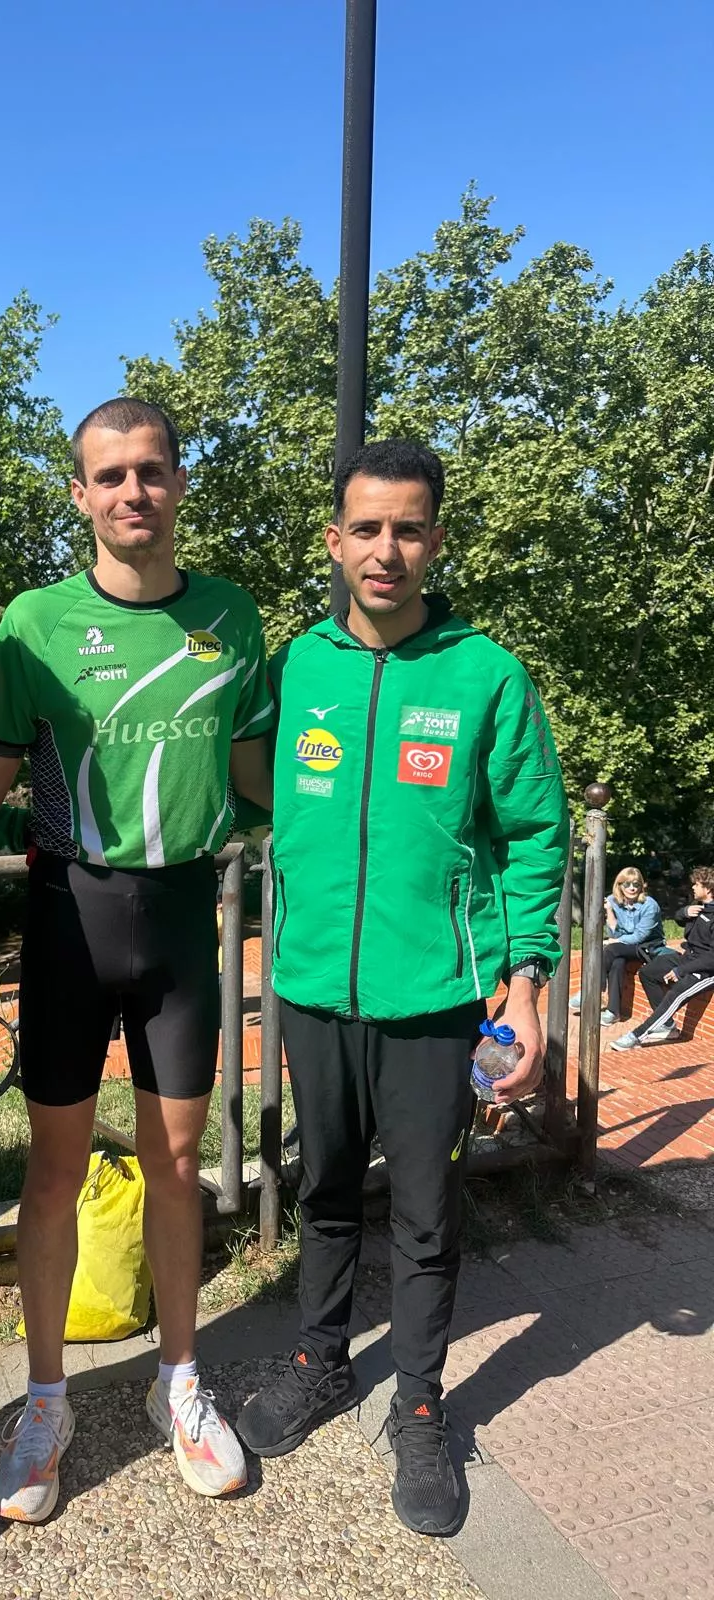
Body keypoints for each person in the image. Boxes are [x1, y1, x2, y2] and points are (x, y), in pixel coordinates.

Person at [236, 440, 567, 1537]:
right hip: (317, 989)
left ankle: (421, 1402)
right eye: (366, 528)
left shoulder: (485, 674)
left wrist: (523, 990)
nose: (386, 549)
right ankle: (320, 1361)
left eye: (408, 528)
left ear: (435, 540)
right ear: (335, 542)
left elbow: (531, 838)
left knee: (426, 1215)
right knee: (325, 1190)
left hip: (438, 997)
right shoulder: (300, 666)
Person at [0, 398, 274, 1523]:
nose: (132, 493)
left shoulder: (233, 615)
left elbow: (259, 775)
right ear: (79, 494)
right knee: (51, 1172)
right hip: (65, 913)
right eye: (110, 476)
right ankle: (44, 1397)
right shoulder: (32, 623)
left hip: (186, 914)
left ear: (181, 482)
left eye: (151, 472)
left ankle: (180, 1384)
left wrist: (362, 818)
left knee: (177, 1164)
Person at [611, 867, 714, 1050]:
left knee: (674, 996)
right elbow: (678, 918)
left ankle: (636, 1036)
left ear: (708, 888)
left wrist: (681, 971)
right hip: (688, 958)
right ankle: (667, 1025)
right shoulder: (699, 908)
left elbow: (711, 958)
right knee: (648, 972)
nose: (692, 887)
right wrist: (685, 912)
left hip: (705, 971)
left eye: (696, 884)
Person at [568, 867, 665, 1024]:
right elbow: (615, 935)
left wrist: (615, 942)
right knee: (617, 962)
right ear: (619, 885)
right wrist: (610, 912)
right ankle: (613, 1012)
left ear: (642, 886)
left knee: (611, 949)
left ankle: (592, 990)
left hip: (648, 946)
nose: (632, 888)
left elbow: (639, 936)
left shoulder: (649, 905)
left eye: (636, 884)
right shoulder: (613, 901)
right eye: (627, 884)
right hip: (624, 947)